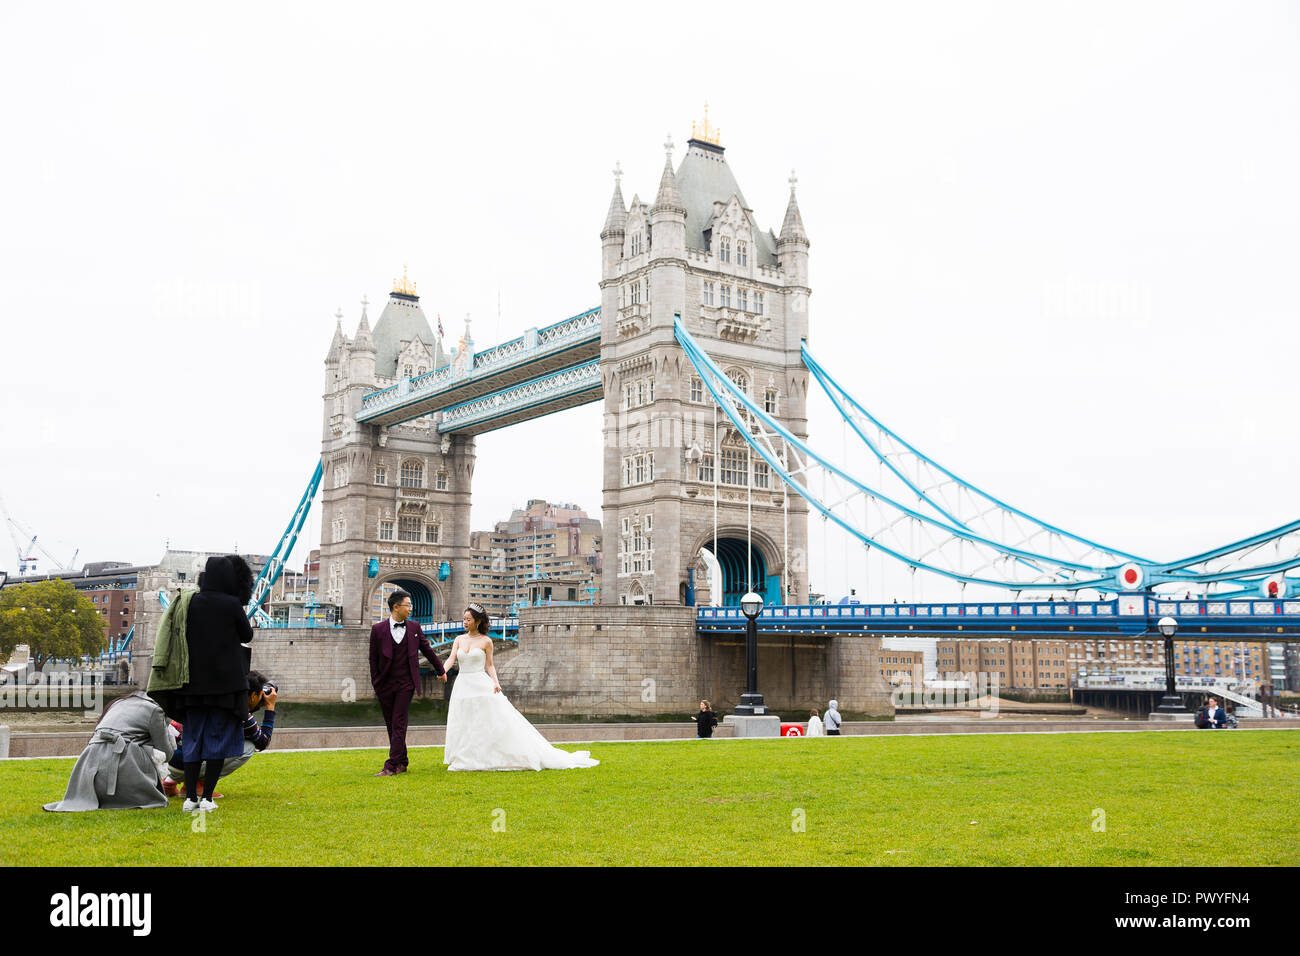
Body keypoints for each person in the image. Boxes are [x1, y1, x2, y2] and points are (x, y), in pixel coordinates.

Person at [443, 603, 598, 771]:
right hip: (462, 684)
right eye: (464, 619)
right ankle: (464, 755)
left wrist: (496, 682)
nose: (465, 622)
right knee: (464, 719)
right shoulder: (458, 639)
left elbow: (490, 665)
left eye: (468, 619)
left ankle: (482, 756)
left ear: (478, 621)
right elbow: (451, 658)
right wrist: (442, 670)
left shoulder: (486, 641)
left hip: (480, 684)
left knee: (484, 721)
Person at [171, 555, 257, 812]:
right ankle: (207, 798)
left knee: (193, 740)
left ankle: (189, 800)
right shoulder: (231, 604)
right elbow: (247, 634)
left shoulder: (192, 602)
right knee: (217, 741)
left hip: (194, 684)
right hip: (225, 686)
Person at [44, 691, 175, 812]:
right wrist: (167, 727)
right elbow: (166, 754)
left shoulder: (117, 703)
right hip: (125, 770)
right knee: (147, 748)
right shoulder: (155, 710)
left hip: (90, 771)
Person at [163, 670, 278, 797]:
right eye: (261, 694)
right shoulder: (240, 713)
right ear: (252, 696)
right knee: (248, 747)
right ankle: (198, 784)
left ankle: (169, 782)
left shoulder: (216, 697)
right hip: (185, 764)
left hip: (168, 760)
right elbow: (263, 742)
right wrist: (270, 707)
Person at [369, 589, 446, 776]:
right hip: (385, 684)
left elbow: (428, 650)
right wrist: (376, 683)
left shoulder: (414, 628)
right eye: (408, 605)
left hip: (406, 683)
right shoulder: (377, 629)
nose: (411, 608)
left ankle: (391, 765)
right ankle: (402, 761)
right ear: (396, 607)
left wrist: (441, 670)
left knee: (399, 722)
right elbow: (373, 659)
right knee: (391, 724)